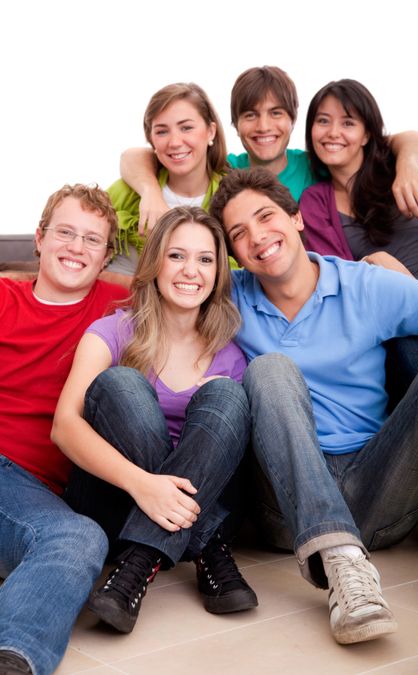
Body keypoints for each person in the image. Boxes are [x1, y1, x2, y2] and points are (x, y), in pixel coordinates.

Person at [208, 167, 418, 646]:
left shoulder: (367, 285)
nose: (258, 237)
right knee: (269, 370)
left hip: (380, 488)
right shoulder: (226, 298)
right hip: (286, 507)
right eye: (239, 233)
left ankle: (348, 554)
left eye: (266, 217)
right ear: (232, 253)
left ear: (296, 218)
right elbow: (154, 297)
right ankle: (342, 566)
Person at [51, 206, 257, 635]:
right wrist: (143, 485)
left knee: (226, 395)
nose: (191, 270)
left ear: (218, 272)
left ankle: (138, 563)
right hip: (113, 500)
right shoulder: (111, 331)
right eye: (177, 255)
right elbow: (64, 427)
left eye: (205, 259)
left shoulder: (231, 353)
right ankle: (206, 545)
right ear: (155, 263)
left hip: (191, 503)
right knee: (121, 383)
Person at [0, 184, 129, 675]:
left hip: (39, 496)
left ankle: (14, 659)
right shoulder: (4, 296)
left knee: (78, 539)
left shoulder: (117, 304)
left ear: (106, 256)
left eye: (92, 240)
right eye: (65, 233)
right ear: (39, 238)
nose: (76, 247)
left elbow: (188, 280)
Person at [119, 66, 418, 233]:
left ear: (293, 119)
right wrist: (150, 191)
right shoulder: (227, 171)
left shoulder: (317, 164)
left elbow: (406, 140)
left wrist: (407, 165)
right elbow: (135, 156)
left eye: (276, 113)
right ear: (235, 124)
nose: (264, 126)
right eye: (250, 115)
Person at [299, 78, 418, 403]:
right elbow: (338, 283)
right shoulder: (314, 201)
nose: (333, 132)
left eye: (348, 122)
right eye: (323, 121)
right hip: (396, 325)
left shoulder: (408, 170)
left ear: (367, 134)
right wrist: (378, 267)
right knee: (417, 359)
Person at [104, 82, 231, 285]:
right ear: (151, 139)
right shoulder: (127, 191)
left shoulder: (231, 200)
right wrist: (150, 192)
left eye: (186, 128)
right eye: (162, 131)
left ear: (211, 131)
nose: (174, 142)